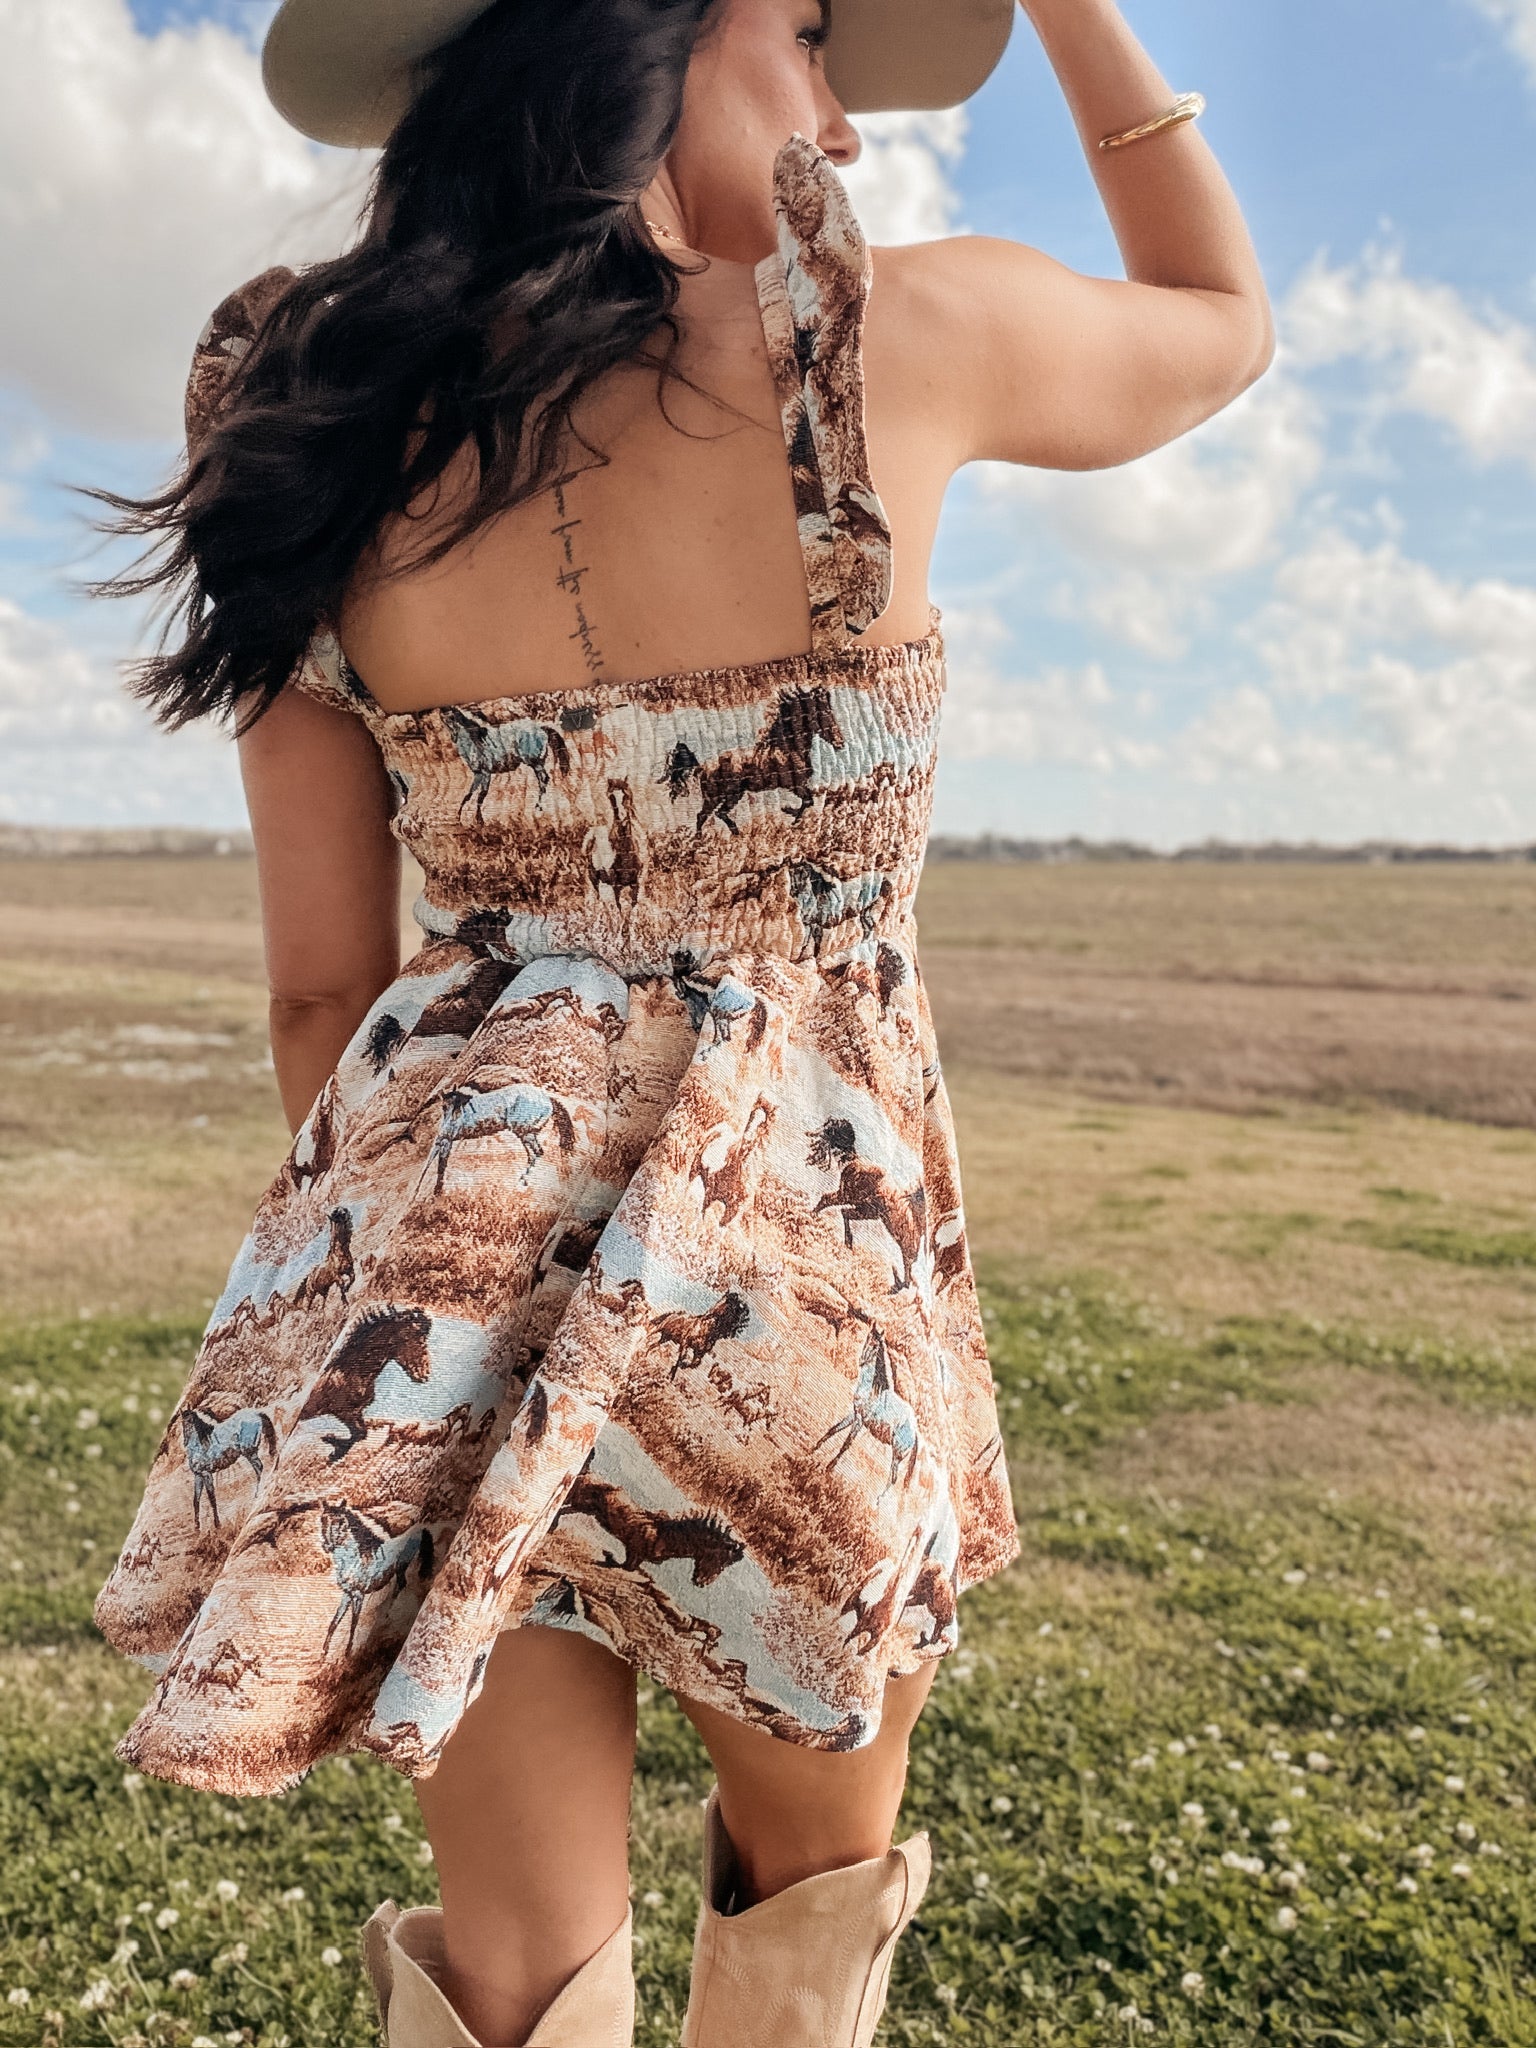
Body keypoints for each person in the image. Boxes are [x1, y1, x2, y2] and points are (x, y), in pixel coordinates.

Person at [84, 0, 1272, 2042]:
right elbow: (1216, 314)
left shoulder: (322, 408)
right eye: (815, 41)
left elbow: (317, 987)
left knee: (521, 1987)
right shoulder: (886, 336)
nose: (847, 126)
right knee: (802, 1924)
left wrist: (404, 1295)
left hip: (458, 1270)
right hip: (801, 1269)